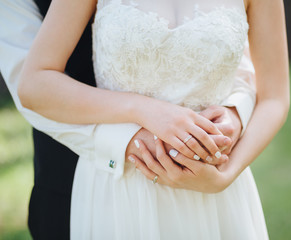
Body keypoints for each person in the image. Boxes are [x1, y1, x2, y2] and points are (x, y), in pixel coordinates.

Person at [0, 0, 261, 239]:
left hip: (213, 180)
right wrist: (142, 114)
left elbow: (243, 66)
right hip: (108, 182)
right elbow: (32, 82)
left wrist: (233, 117)